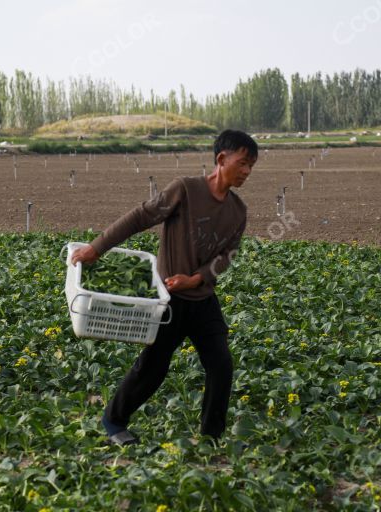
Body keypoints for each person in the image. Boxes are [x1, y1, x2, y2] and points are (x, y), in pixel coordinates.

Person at [71, 129, 258, 445]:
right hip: (168, 299)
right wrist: (96, 248)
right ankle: (114, 420)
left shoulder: (238, 212)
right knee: (153, 368)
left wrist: (196, 278)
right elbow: (140, 217)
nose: (246, 171)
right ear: (221, 158)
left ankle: (211, 437)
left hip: (203, 299)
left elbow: (228, 256)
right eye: (242, 163)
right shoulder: (185, 190)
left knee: (221, 365)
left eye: (251, 165)